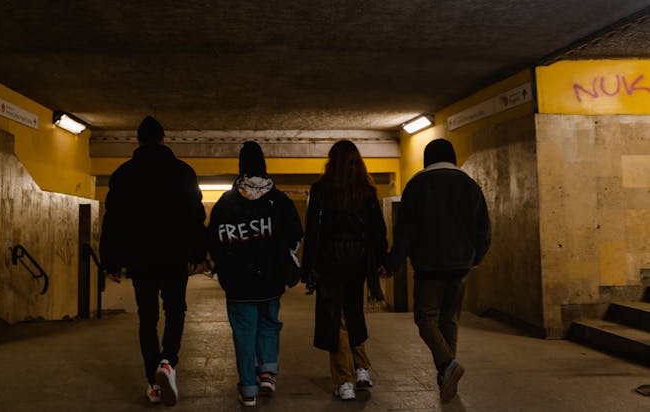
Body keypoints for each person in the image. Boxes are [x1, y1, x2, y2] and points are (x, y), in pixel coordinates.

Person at [99, 115, 206, 406]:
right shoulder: (183, 172)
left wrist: (111, 261)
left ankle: (153, 383)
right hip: (174, 256)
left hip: (140, 258)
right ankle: (168, 362)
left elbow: (114, 222)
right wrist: (198, 254)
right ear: (163, 139)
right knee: (175, 310)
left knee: (147, 318)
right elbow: (195, 216)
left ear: (138, 140)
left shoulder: (123, 174)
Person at [386, 138, 490, 403]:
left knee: (425, 319)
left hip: (429, 267)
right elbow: (483, 228)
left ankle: (447, 364)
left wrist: (393, 263)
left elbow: (405, 231)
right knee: (449, 320)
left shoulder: (417, 185)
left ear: (426, 159)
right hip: (460, 267)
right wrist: (475, 256)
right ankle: (445, 376)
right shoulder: (469, 185)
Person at [207, 141, 303, 407]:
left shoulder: (225, 204)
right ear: (264, 165)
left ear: (241, 166)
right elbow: (295, 235)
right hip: (270, 281)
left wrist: (224, 264)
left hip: (237, 284)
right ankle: (267, 375)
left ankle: (248, 389)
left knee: (244, 333)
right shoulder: (279, 201)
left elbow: (213, 241)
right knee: (269, 324)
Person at [301, 140, 388, 401]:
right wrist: (381, 259)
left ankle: (344, 380)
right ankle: (361, 369)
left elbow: (313, 231)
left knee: (335, 319)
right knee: (353, 312)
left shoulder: (320, 189)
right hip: (358, 261)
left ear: (332, 162)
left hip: (330, 261)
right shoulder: (367, 191)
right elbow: (377, 230)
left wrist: (308, 268)